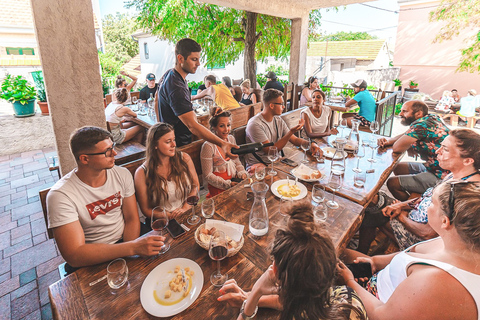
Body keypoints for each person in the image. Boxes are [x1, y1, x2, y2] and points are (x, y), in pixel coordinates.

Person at [338, 181, 480, 320]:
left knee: (321, 270)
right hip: (376, 279)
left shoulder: (435, 281)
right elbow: (409, 255)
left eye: (431, 203)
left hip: (371, 306)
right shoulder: (454, 241)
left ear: (445, 221)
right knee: (338, 253)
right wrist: (374, 262)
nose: (425, 206)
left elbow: (380, 315)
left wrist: (349, 281)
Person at [218, 203, 367, 320]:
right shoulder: (351, 300)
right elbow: (299, 300)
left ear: (274, 270)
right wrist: (249, 297)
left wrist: (255, 292)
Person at [46, 127, 165, 273]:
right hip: (92, 255)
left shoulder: (121, 174)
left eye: (113, 147)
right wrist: (131, 248)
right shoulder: (61, 195)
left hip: (127, 239)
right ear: (84, 159)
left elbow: (132, 219)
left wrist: (129, 252)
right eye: (107, 151)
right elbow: (74, 255)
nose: (114, 153)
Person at [359, 129, 480, 252]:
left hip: (418, 238)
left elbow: (427, 234)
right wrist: (401, 205)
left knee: (370, 209)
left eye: (446, 149)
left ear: (468, 160)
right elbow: (426, 198)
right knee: (375, 199)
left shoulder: (464, 194)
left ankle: (362, 258)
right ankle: (366, 249)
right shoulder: (455, 175)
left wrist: (401, 216)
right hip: (413, 215)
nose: (438, 151)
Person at [156, 38, 238, 156]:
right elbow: (192, 126)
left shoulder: (169, 74)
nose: (198, 64)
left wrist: (160, 126)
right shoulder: (176, 87)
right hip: (178, 147)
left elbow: (156, 98)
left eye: (198, 59)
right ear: (180, 58)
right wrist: (223, 144)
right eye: (194, 59)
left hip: (170, 141)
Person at [378, 100, 450, 200]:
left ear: (418, 114)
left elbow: (397, 148)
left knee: (392, 183)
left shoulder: (421, 125)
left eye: (404, 111)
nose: (400, 114)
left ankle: (411, 209)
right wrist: (389, 141)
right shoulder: (431, 118)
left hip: (441, 175)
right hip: (433, 166)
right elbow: (407, 134)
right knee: (398, 167)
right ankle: (415, 191)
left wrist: (410, 144)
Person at [134, 123, 199, 221]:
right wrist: (169, 215)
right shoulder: (142, 172)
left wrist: (185, 207)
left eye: (174, 140)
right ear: (155, 144)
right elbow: (146, 209)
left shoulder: (184, 158)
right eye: (168, 141)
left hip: (189, 211)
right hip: (163, 220)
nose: (174, 145)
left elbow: (195, 185)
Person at [245, 89, 321, 171]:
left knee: (306, 171)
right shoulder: (255, 124)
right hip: (258, 166)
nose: (284, 107)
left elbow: (294, 139)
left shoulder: (278, 120)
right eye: (281, 104)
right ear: (271, 106)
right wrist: (291, 132)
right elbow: (271, 151)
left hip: (275, 162)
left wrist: (311, 144)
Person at [200, 107, 248, 198]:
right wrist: (227, 184)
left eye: (228, 125)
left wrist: (242, 173)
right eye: (222, 126)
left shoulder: (231, 139)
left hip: (234, 181)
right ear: (214, 127)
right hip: (218, 187)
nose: (226, 129)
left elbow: (236, 161)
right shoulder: (208, 146)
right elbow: (207, 175)